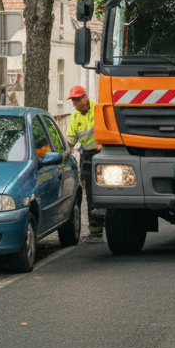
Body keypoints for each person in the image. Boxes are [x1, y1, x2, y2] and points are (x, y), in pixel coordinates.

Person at [64, 85, 103, 237]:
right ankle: (95, 229)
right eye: (73, 101)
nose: (75, 104)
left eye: (77, 100)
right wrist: (62, 155)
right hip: (88, 154)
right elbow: (70, 143)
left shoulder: (98, 108)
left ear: (85, 98)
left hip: (104, 152)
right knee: (91, 193)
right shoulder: (74, 118)